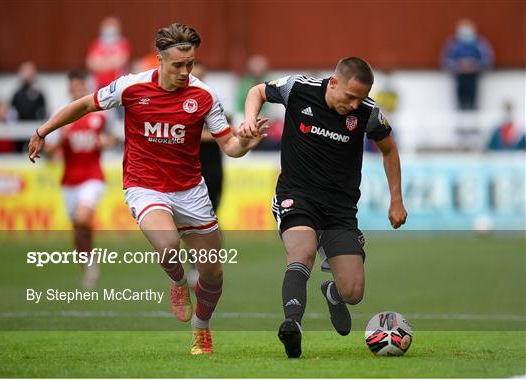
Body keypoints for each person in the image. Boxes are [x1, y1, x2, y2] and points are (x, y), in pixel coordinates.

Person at [28, 23, 267, 355]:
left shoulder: (204, 96)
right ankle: (177, 281)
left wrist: (247, 142)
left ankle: (201, 328)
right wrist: (43, 131)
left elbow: (229, 145)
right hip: (145, 185)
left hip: (190, 190)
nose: (186, 72)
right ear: (159, 60)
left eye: (190, 64)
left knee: (212, 272)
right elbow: (84, 105)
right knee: (168, 243)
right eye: (178, 65)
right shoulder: (131, 87)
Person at [241, 57, 407, 358]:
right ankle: (292, 325)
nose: (355, 104)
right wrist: (250, 119)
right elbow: (258, 92)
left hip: (340, 210)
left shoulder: (368, 113)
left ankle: (333, 293)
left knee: (353, 293)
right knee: (301, 252)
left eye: (361, 98)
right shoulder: (298, 89)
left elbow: (389, 150)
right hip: (297, 196)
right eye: (350, 96)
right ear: (333, 82)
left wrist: (396, 199)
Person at [44, 70, 117, 288]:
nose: (76, 89)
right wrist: (61, 139)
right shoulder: (61, 115)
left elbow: (113, 137)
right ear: (69, 89)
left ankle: (90, 261)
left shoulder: (99, 113)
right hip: (69, 180)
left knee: (83, 218)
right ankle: (88, 264)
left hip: (93, 176)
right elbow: (48, 154)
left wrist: (105, 142)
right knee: (77, 226)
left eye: (79, 86)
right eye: (73, 86)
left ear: (85, 86)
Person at [187, 61, 225, 288]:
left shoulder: (212, 101)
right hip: (190, 172)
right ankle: (195, 268)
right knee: (192, 222)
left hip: (213, 171)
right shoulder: (182, 105)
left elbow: (225, 134)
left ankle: (211, 265)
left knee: (212, 220)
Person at [441, 19, 493, 110]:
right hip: (459, 76)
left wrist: (474, 65)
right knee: (460, 100)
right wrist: (459, 65)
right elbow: (445, 60)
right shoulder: (453, 44)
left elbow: (488, 59)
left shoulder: (480, 43)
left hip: (474, 76)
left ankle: (474, 109)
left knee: (473, 98)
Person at [86, 17, 131, 90]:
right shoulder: (96, 43)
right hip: (97, 84)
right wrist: (111, 61)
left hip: (116, 84)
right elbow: (90, 63)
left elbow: (121, 61)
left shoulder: (123, 43)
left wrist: (101, 62)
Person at [10, 61, 47, 152]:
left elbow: (43, 111)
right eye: (24, 71)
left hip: (34, 129)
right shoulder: (17, 94)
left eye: (29, 72)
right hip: (19, 129)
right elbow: (11, 111)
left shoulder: (38, 93)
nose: (27, 75)